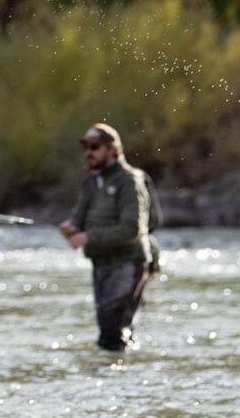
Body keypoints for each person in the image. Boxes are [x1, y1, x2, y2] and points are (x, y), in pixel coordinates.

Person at [58, 123, 162, 352]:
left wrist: (88, 237)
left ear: (113, 149)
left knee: (112, 335)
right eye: (85, 146)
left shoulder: (129, 182)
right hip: (101, 263)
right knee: (109, 331)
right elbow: (79, 219)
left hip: (128, 262)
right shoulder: (91, 181)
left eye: (95, 147)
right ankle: (120, 375)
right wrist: (72, 228)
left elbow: (131, 229)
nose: (88, 152)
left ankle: (119, 383)